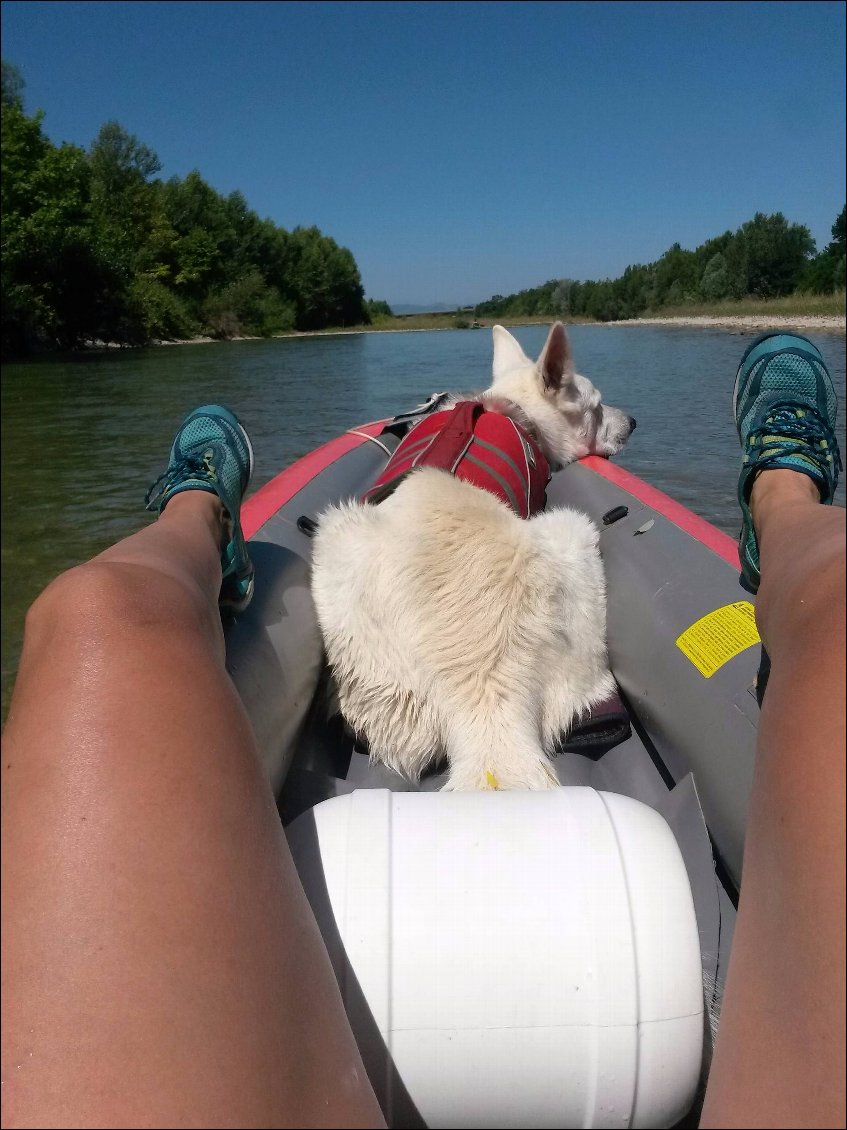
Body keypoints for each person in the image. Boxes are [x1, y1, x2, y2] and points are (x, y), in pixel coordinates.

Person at [1, 337, 844, 1129]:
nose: (609, 425)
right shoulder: (534, 442)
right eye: (593, 411)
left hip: (387, 703)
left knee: (93, 612)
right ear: (550, 393)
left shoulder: (457, 427)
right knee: (823, 600)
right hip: (541, 695)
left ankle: (194, 518)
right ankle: (783, 498)